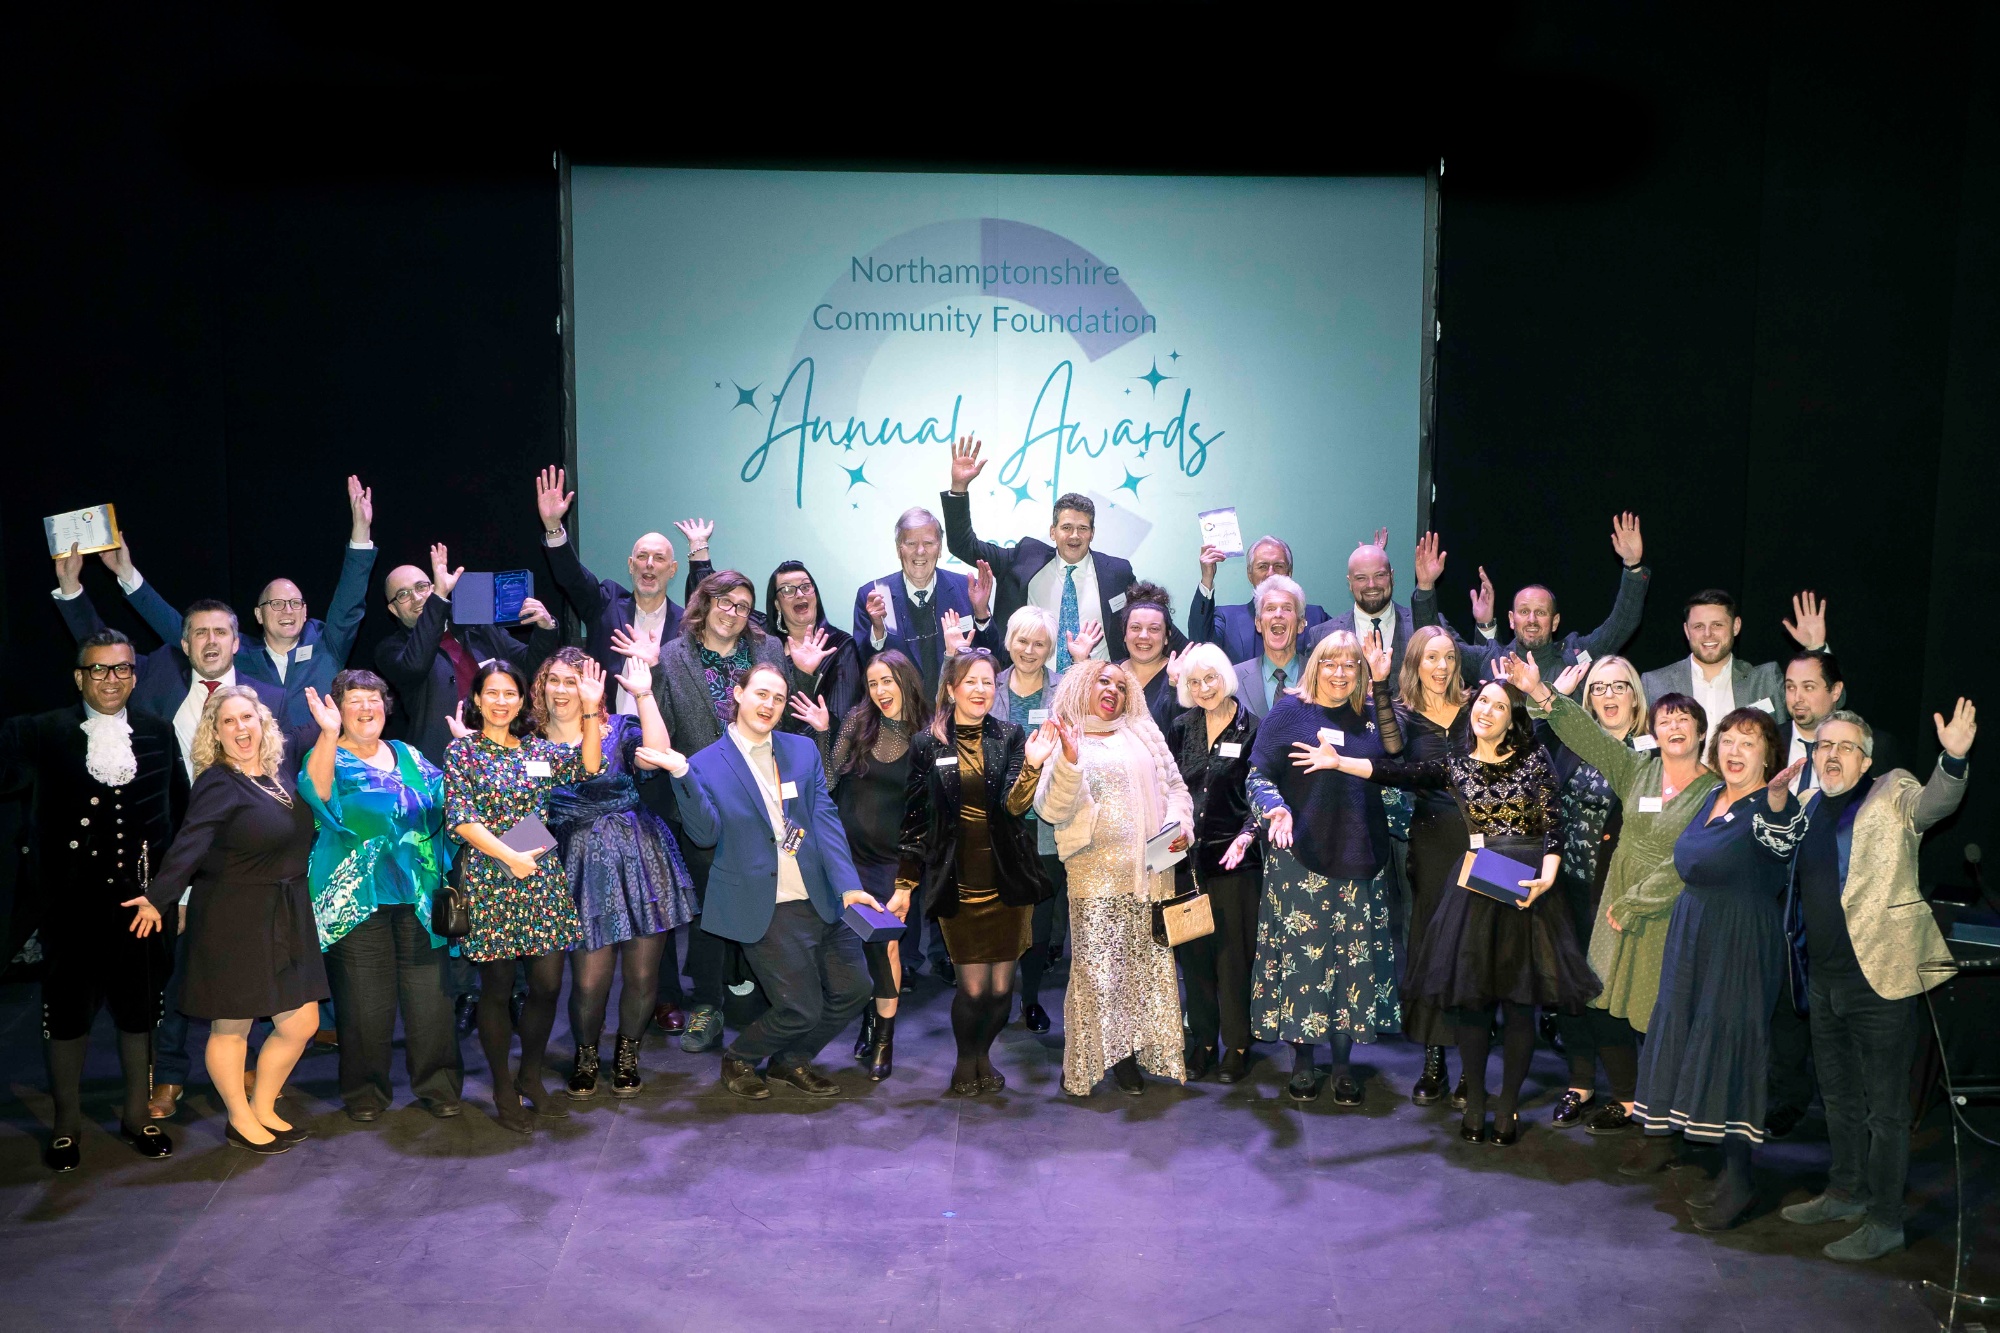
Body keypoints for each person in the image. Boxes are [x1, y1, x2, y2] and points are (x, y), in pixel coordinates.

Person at [1310, 662, 1597, 1144]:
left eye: (1499, 706)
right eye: (1483, 701)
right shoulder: (1456, 764)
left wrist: (1548, 873)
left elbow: (1553, 822)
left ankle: (1507, 1109)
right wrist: (1341, 763)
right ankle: (1477, 1103)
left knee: (1521, 1004)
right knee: (1472, 1001)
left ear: (1513, 719)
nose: (1487, 710)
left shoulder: (1533, 759)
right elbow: (1396, 772)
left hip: (1528, 886)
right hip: (1479, 885)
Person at [1778, 702, 1975, 1262]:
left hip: (1880, 978)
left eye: (1844, 747)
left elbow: (1934, 803)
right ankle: (1845, 1191)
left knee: (1885, 1110)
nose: (1831, 755)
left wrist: (1954, 758)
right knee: (1837, 1097)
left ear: (1866, 760)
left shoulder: (1892, 791)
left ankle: (1886, 1220)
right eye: (1823, 746)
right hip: (1824, 979)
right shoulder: (1811, 802)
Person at [1605, 704, 1803, 1231]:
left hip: (1739, 940)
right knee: (1690, 1038)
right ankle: (1702, 1158)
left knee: (1733, 1045)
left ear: (1770, 756)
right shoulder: (1713, 796)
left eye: (1750, 742)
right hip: (1693, 935)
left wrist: (1780, 801)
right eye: (1730, 740)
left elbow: (1785, 837)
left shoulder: (1770, 805)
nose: (1736, 750)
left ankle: (1739, 1179)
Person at [650, 662, 880, 1101]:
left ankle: (791, 1060)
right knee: (800, 1006)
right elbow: (704, 834)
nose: (769, 704)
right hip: (764, 902)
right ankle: (739, 1058)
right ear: (738, 695)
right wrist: (681, 777)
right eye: (761, 693)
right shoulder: (703, 764)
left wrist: (849, 885)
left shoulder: (801, 751)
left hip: (820, 894)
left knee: (856, 990)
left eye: (778, 698)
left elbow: (824, 821)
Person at [1511, 669, 1721, 1140]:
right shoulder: (1636, 769)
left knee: (1659, 1009)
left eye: (1685, 718)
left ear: (1702, 731)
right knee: (1607, 1000)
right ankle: (1627, 1098)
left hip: (1668, 908)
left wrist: (1637, 902)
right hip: (1614, 901)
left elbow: (1692, 858)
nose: (1675, 726)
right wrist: (1541, 693)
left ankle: (1667, 1104)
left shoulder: (1713, 790)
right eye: (1666, 720)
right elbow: (1586, 735)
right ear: (1655, 729)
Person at [3, 630, 185, 1170]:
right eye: (100, 670)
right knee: (67, 1017)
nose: (112, 679)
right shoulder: (43, 731)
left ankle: (136, 1116)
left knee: (138, 1013)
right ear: (80, 676)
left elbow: (177, 817)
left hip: (139, 906)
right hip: (69, 906)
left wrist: (167, 893)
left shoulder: (156, 733)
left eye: (123, 669)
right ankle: (66, 1126)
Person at [126, 686, 325, 1155]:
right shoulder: (218, 781)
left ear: (263, 722)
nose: (241, 729)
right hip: (234, 916)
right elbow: (190, 842)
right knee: (231, 1026)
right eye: (229, 722)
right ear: (215, 734)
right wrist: (159, 897)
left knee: (302, 1022)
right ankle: (239, 1117)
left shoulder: (278, 775)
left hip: (285, 911)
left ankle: (263, 1106)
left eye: (247, 718)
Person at [444, 658, 604, 1132]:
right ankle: (501, 1087)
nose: (500, 701)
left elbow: (589, 764)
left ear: (520, 700)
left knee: (548, 985)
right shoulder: (463, 753)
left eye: (509, 693)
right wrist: (507, 857)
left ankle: (530, 1078)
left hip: (540, 877)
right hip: (492, 879)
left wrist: (591, 710)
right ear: (477, 700)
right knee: (495, 991)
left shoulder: (536, 750)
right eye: (490, 693)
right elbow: (460, 816)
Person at [298, 670, 461, 1121]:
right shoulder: (327, 755)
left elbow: (451, 803)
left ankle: (439, 1085)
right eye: (355, 700)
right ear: (337, 709)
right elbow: (316, 792)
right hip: (356, 902)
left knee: (431, 1001)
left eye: (374, 698)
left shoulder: (408, 753)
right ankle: (365, 1094)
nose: (367, 708)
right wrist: (329, 736)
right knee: (364, 1007)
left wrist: (470, 755)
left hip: (420, 898)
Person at [535, 644, 695, 1100]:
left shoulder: (619, 729)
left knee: (644, 977)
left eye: (574, 680)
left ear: (594, 687)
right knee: (589, 980)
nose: (564, 690)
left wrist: (644, 695)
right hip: (579, 868)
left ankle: (628, 1053)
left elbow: (658, 755)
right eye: (556, 680)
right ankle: (586, 1054)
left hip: (639, 859)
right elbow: (525, 816)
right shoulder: (529, 743)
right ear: (541, 687)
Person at [1248, 632, 1402, 1104]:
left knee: (1353, 967)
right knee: (1305, 967)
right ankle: (1302, 1061)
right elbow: (1257, 774)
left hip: (1362, 861)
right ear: (1314, 665)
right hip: (1301, 863)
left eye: (1349, 665)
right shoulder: (1290, 712)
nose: (1339, 673)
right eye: (1330, 663)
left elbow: (1394, 774)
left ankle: (1341, 1064)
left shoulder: (1374, 717)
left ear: (1361, 672)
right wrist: (1275, 808)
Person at [897, 649, 1053, 1095]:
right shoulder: (928, 744)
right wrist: (905, 883)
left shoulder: (1010, 735)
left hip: (1007, 880)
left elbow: (1014, 805)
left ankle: (985, 1053)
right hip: (958, 883)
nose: (981, 689)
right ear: (951, 689)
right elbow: (914, 819)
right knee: (972, 989)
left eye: (988, 681)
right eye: (971, 681)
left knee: (1003, 990)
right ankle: (967, 1060)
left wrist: (1033, 767)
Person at [1036, 661, 1194, 1096]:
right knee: (1099, 973)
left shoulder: (1143, 733)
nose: (1112, 690)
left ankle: (1132, 1057)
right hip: (1094, 877)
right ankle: (1092, 1061)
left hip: (1150, 874)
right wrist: (1068, 763)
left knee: (1143, 971)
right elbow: (1050, 810)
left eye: (1121, 686)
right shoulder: (1065, 736)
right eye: (1102, 681)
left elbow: (1177, 791)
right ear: (1083, 686)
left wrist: (1178, 832)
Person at [649, 570, 788, 1053]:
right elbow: (662, 729)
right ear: (704, 605)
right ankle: (707, 1003)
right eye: (725, 603)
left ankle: (766, 992)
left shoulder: (768, 652)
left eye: (744, 606)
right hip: (701, 798)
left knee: (766, 895)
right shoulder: (672, 656)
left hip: (761, 796)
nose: (733, 613)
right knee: (710, 907)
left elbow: (783, 712)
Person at [53, 539, 288, 766]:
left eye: (220, 632)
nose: (211, 641)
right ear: (185, 645)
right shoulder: (160, 675)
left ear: (236, 643)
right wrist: (70, 586)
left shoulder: (269, 698)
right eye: (200, 633)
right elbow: (103, 651)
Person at [1541, 655, 1647, 1128]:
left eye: (1618, 686)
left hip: (1616, 893)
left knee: (1608, 994)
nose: (1607, 696)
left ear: (1635, 695)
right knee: (1570, 989)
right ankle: (1579, 1083)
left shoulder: (1650, 754)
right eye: (1598, 688)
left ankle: (1626, 1095)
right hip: (1567, 888)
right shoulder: (1571, 745)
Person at [942, 436, 1137, 671]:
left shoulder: (1117, 573)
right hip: (1032, 688)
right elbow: (963, 545)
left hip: (1095, 690)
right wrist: (959, 489)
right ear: (1052, 532)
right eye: (1066, 528)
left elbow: (1148, 621)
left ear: (1092, 533)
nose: (1074, 536)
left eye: (1082, 528)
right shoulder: (1024, 559)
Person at [829, 650, 930, 1079]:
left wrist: (908, 879)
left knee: (885, 943)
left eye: (887, 681)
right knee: (857, 945)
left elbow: (927, 814)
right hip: (850, 856)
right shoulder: (858, 720)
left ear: (905, 680)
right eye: (873, 683)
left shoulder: (928, 733)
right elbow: (829, 778)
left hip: (894, 861)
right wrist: (821, 733)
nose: (880, 691)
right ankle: (870, 1016)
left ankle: (883, 1037)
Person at [1164, 643, 1261, 1083]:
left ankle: (1238, 1045)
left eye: (1211, 678)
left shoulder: (1252, 729)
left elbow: (1259, 795)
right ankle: (1203, 1041)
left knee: (1233, 960)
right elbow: (1167, 788)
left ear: (1227, 677)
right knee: (1195, 959)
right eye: (1194, 681)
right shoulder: (1181, 728)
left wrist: (1245, 836)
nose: (1204, 688)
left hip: (1233, 863)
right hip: (1185, 863)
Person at [374, 542, 562, 766]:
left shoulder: (478, 629)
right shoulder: (392, 649)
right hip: (443, 763)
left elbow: (531, 666)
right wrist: (440, 599)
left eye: (421, 587)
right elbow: (415, 665)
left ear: (431, 588)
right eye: (403, 594)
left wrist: (546, 627)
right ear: (393, 609)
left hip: (504, 754)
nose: (416, 597)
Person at [1384, 624, 1471, 1105]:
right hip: (1433, 842)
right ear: (1415, 664)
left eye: (1448, 658)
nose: (1441, 667)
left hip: (1481, 843)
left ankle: (1470, 1067)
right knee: (1432, 947)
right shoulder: (1401, 715)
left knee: (1471, 949)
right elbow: (1392, 753)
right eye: (1431, 658)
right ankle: (1435, 1059)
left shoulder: (1479, 706)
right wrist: (1378, 684)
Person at [1432, 513, 1651, 692]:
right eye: (1524, 611)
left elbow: (1622, 624)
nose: (1532, 620)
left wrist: (1632, 566)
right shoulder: (1491, 660)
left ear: (1555, 622)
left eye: (1541, 612)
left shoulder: (1577, 658)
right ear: (1511, 619)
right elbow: (1436, 640)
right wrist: (1425, 588)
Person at [534, 464, 713, 682]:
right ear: (630, 565)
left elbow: (710, 605)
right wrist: (553, 526)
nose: (649, 564)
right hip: (608, 716)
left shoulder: (683, 623)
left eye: (659, 558)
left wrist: (699, 549)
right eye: (641, 556)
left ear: (672, 569)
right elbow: (573, 578)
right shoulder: (605, 604)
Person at [994, 606, 1066, 1031]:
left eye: (1040, 643)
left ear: (1050, 650)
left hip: (1045, 822)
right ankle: (997, 996)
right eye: (1022, 640)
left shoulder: (1064, 691)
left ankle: (1032, 998)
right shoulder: (988, 683)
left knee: (1039, 919)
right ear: (1009, 642)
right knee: (1001, 915)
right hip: (997, 821)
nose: (1030, 650)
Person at [1640, 591, 1828, 749]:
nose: (1708, 634)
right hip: (1680, 792)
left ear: (1736, 626)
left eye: (1717, 625)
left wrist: (1817, 649)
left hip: (1754, 791)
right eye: (1698, 626)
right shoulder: (1655, 683)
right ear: (1687, 631)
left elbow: (1829, 704)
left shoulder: (1765, 678)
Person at [852, 505, 998, 696]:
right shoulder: (875, 594)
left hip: (957, 716)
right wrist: (878, 630)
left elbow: (993, 658)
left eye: (929, 543)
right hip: (899, 716)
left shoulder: (967, 589)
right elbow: (862, 668)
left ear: (939, 549)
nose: (920, 551)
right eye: (911, 543)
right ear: (899, 549)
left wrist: (981, 614)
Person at [1302, 531, 1448, 685]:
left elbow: (1464, 663)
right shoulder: (1321, 636)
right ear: (1350, 583)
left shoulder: (1426, 624)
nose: (1371, 585)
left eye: (1379, 575)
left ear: (1391, 577)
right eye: (1361, 578)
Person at [766, 559, 862, 759]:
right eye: (787, 590)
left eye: (805, 587)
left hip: (819, 761)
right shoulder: (766, 647)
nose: (799, 594)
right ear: (777, 604)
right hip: (766, 756)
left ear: (815, 594)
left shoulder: (841, 645)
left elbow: (841, 717)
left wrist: (785, 749)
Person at [1188, 534, 1330, 664]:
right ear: (1250, 575)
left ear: (1289, 572)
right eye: (1262, 566)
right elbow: (1199, 644)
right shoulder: (1227, 618)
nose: (1271, 573)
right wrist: (1207, 578)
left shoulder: (1314, 616)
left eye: (1278, 566)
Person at [1229, 575, 1309, 719]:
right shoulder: (1232, 678)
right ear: (1258, 624)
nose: (1278, 614)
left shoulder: (1320, 676)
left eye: (1287, 608)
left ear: (1301, 625)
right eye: (1270, 608)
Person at [1118, 581, 1184, 734]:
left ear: (1166, 637)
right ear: (1124, 634)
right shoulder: (1109, 674)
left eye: (1154, 629)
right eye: (1135, 627)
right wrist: (1080, 661)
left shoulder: (1178, 676)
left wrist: (1176, 686)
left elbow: (1183, 734)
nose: (1143, 636)